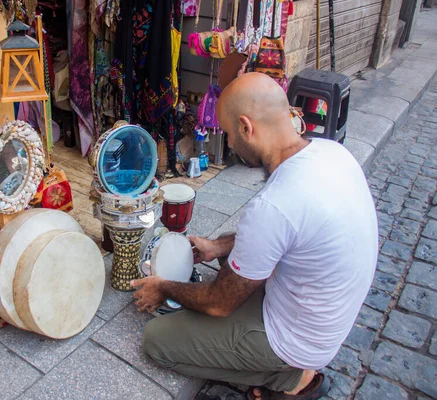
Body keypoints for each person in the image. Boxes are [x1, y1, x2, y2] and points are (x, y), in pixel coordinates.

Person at [131, 73, 378, 400]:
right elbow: (288, 233)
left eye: (230, 134)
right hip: (321, 317)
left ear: (247, 127)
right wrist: (218, 246)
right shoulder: (330, 152)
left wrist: (163, 287)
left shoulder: (273, 206)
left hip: (295, 340)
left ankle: (288, 379)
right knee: (225, 267)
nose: (230, 144)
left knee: (157, 340)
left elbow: (219, 303)